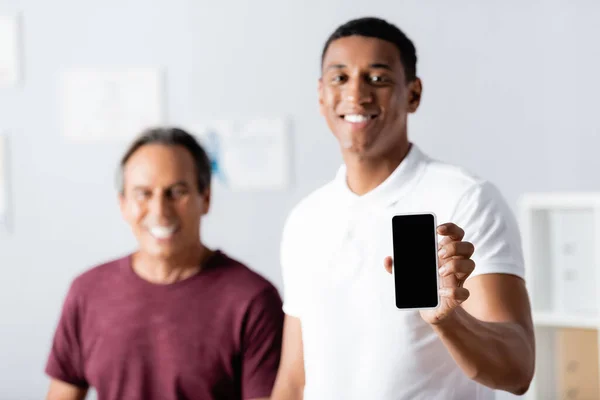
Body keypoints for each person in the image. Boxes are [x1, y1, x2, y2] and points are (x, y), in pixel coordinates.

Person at [271, 17, 535, 400]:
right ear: (321, 95)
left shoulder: (465, 198)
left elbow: (518, 370)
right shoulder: (306, 219)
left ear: (413, 94)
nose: (357, 94)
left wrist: (449, 320)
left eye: (378, 79)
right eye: (340, 78)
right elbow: (294, 383)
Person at [45, 128, 284, 400]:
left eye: (176, 192)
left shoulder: (253, 300)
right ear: (123, 205)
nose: (160, 211)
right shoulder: (87, 292)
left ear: (205, 198)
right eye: (143, 194)